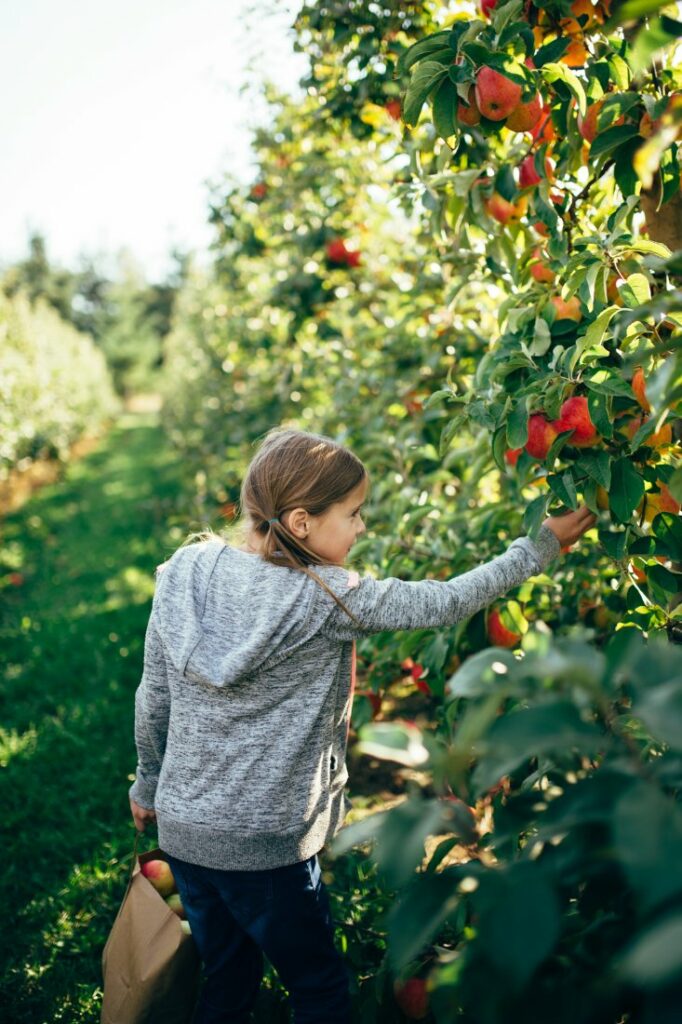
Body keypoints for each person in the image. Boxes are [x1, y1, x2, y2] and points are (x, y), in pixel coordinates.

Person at [128, 426, 596, 1024]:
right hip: (269, 845)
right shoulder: (332, 598)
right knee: (318, 986)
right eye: (352, 514)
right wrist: (538, 548)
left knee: (226, 976)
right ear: (300, 522)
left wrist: (147, 787)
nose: (361, 527)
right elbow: (446, 601)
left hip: (187, 831)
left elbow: (153, 696)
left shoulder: (185, 573)